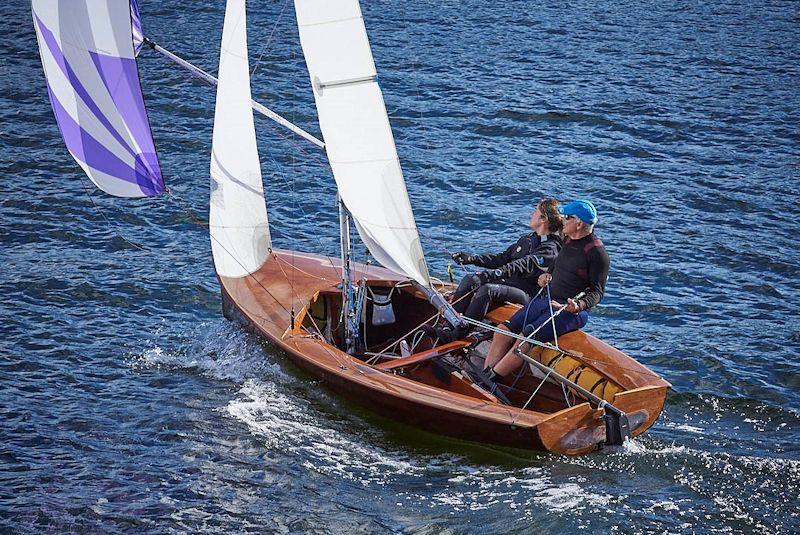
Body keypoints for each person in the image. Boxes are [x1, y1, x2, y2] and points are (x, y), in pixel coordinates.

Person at [482, 199, 610, 380]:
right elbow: (558, 263)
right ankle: (484, 374)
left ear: (579, 223)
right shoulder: (567, 239)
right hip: (546, 300)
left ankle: (491, 380)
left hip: (568, 311)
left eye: (567, 217)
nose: (562, 221)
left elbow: (598, 291)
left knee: (525, 339)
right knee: (503, 330)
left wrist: (579, 305)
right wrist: (547, 275)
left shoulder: (597, 253)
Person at [432, 198, 564, 343]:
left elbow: (520, 265)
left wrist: (491, 275)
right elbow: (502, 258)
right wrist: (471, 259)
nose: (531, 213)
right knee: (471, 279)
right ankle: (448, 326)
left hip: (526, 293)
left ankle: (458, 333)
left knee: (488, 289)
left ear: (543, 219)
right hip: (509, 284)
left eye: (535, 211)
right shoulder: (528, 239)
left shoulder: (550, 248)